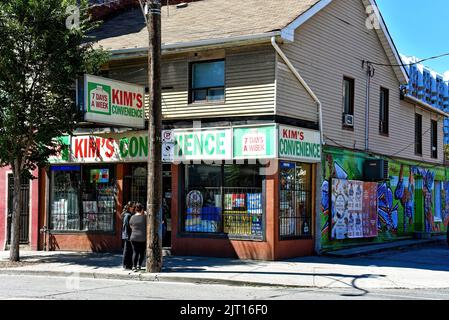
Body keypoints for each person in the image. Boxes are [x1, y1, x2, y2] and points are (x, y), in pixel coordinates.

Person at [129, 203, 147, 271]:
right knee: (142, 252)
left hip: (133, 237)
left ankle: (134, 266)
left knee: (135, 252)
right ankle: (139, 265)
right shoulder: (144, 217)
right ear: (142, 209)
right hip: (142, 237)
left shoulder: (132, 217)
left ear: (136, 209)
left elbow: (131, 226)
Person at [121, 201, 135, 270]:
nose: (134, 208)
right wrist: (129, 235)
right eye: (133, 207)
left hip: (127, 235)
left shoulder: (128, 214)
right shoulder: (127, 215)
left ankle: (128, 265)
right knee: (127, 250)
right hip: (128, 235)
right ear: (130, 207)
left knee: (128, 250)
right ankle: (126, 265)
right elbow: (127, 226)